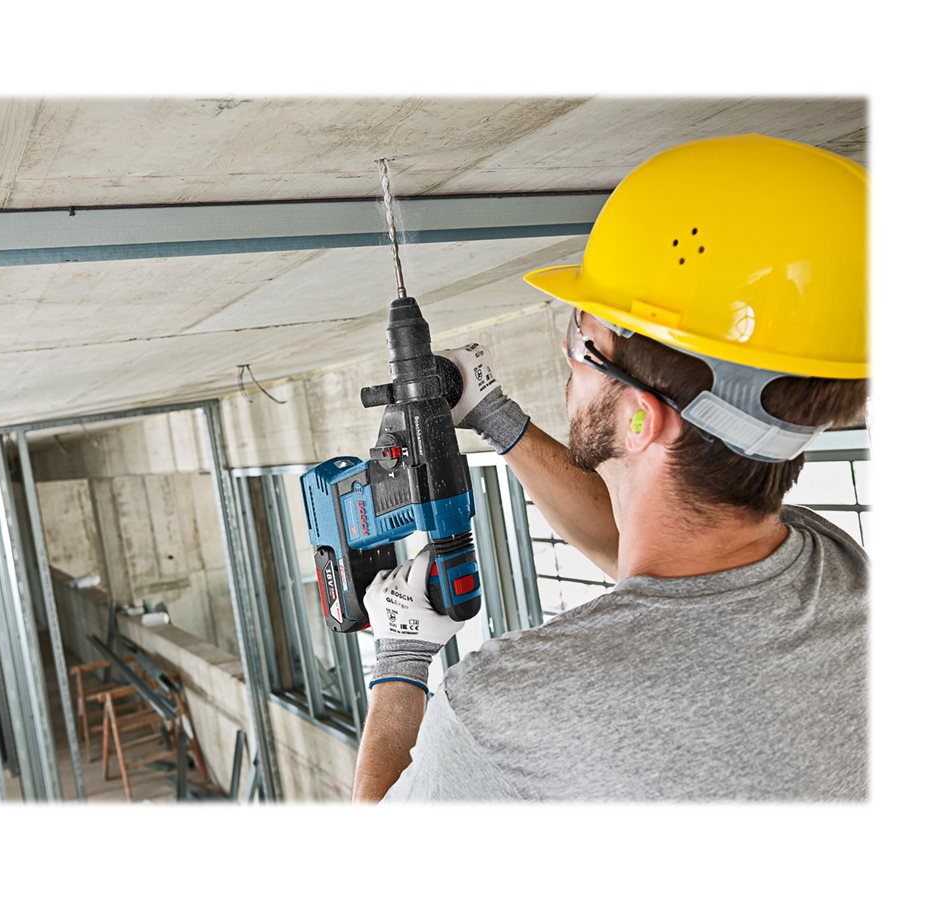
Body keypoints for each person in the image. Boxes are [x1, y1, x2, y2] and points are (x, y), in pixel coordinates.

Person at [351, 134, 869, 802]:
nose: (568, 358)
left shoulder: (514, 705)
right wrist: (494, 416)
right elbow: (639, 555)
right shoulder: (836, 573)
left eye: (582, 339)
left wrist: (400, 656)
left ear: (640, 420)